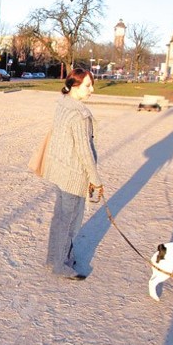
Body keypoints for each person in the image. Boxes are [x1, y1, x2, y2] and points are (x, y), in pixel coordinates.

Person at [42, 68, 103, 280]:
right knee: (68, 222)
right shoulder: (79, 115)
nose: (92, 89)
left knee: (60, 218)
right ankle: (60, 264)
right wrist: (95, 180)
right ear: (74, 86)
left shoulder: (63, 104)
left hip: (59, 170)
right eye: (87, 85)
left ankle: (55, 259)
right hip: (73, 175)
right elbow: (84, 151)